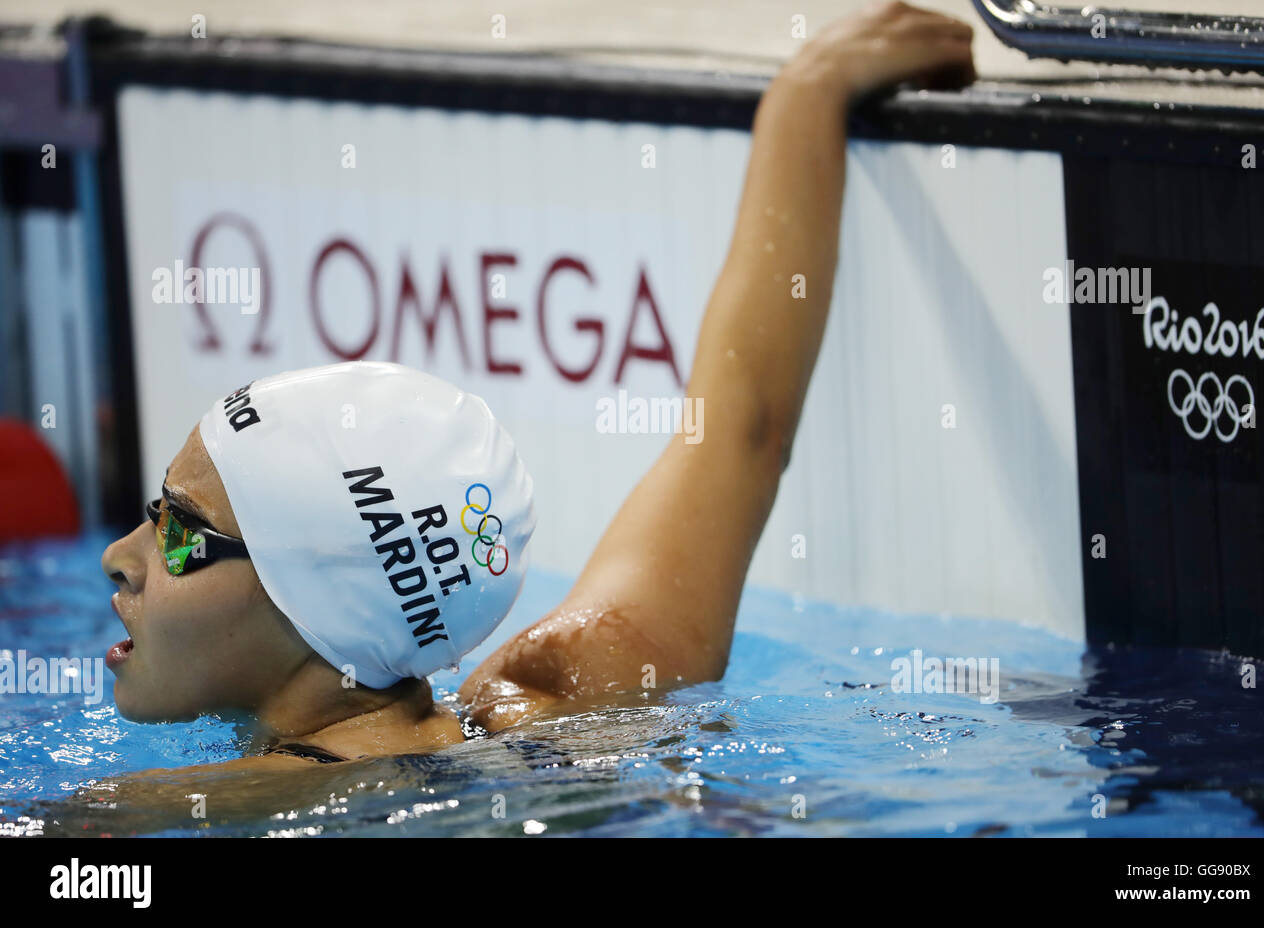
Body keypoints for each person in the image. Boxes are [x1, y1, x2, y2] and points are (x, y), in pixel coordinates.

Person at [99, 2, 975, 776]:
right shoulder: (555, 702)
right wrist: (808, 95)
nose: (121, 555)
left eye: (180, 533)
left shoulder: (252, 799)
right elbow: (741, 431)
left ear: (314, 612)